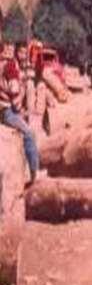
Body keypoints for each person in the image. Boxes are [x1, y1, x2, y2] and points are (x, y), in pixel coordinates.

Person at [0, 42, 40, 185]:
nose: (11, 52)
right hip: (8, 111)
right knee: (30, 134)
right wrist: (19, 109)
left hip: (7, 109)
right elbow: (14, 90)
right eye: (8, 49)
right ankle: (35, 173)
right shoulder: (10, 67)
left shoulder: (9, 65)